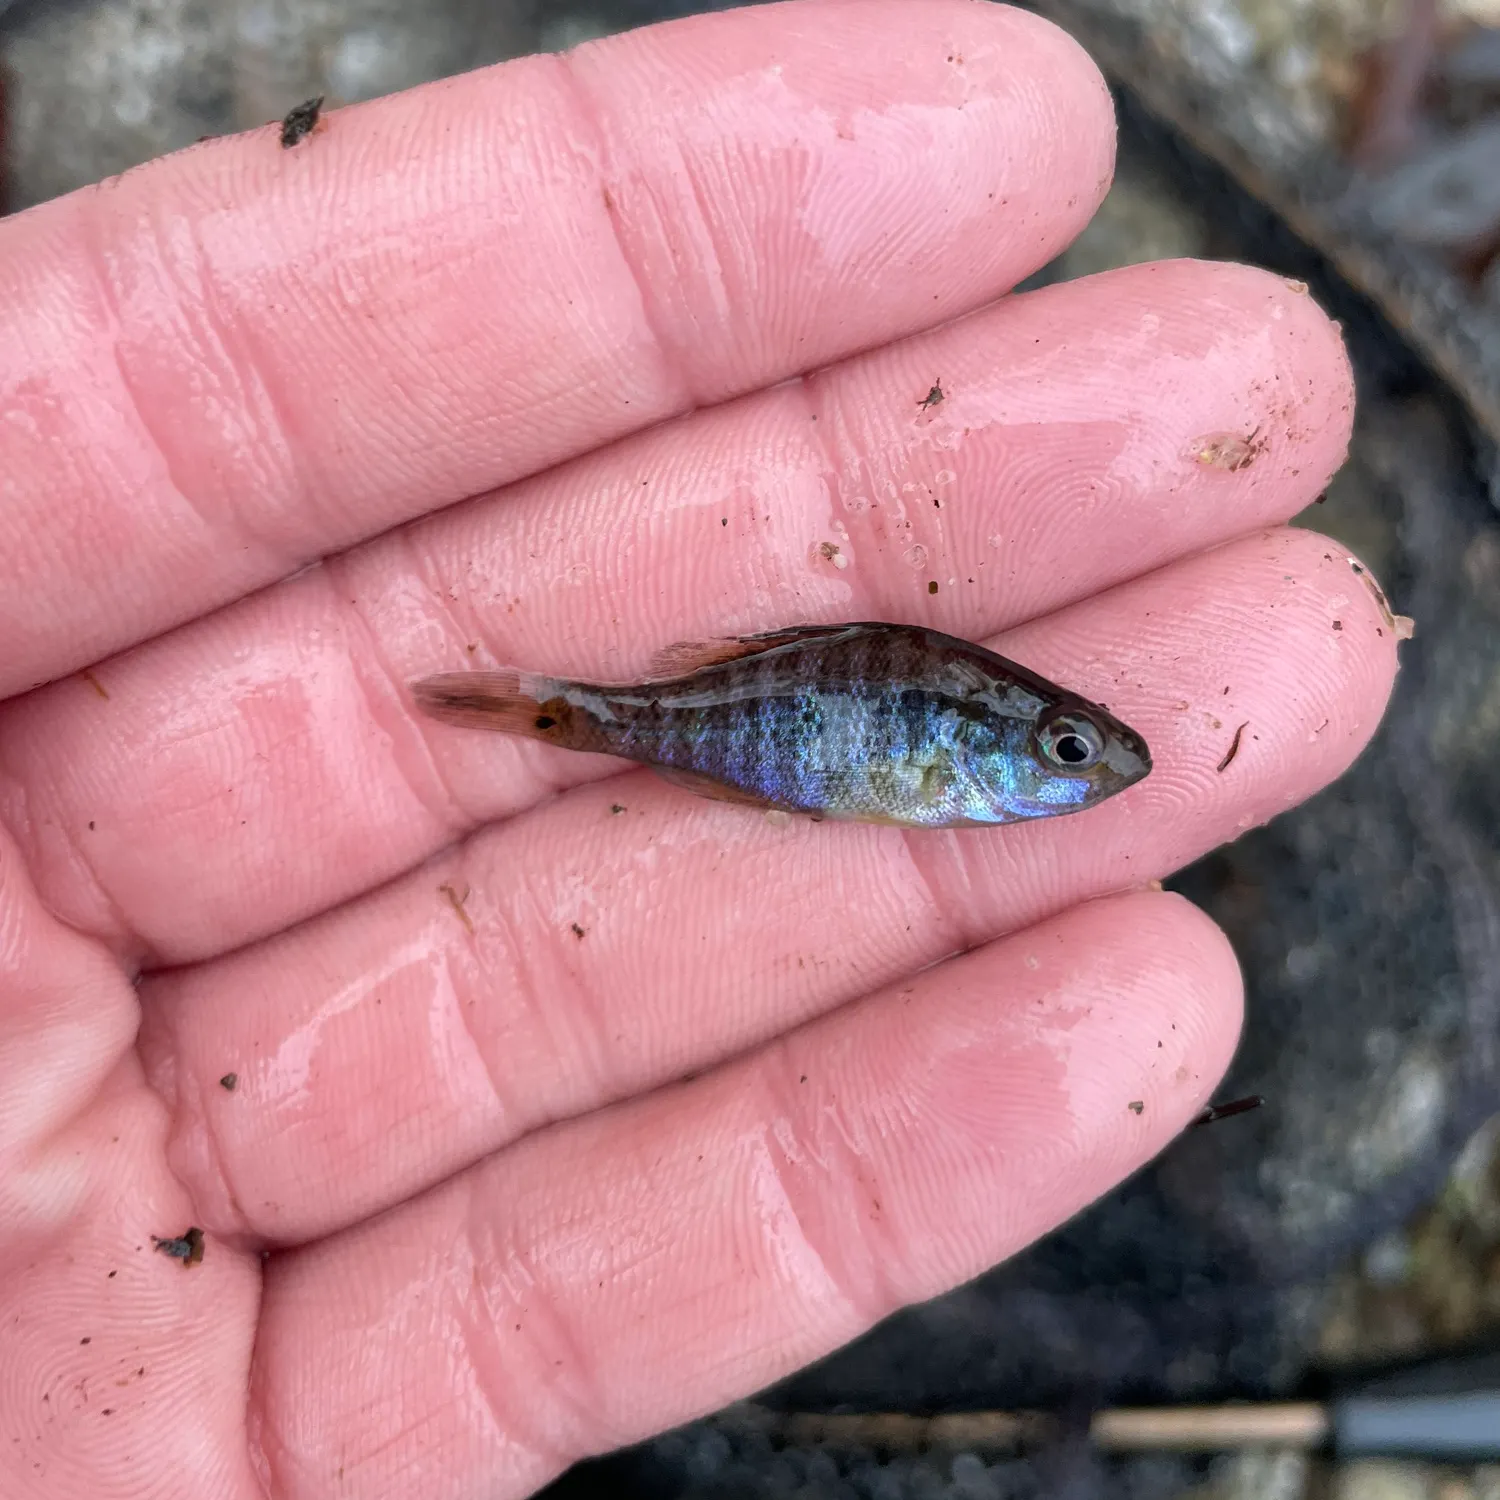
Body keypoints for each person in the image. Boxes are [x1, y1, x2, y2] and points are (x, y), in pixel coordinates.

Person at [0, 2, 1396, 1496]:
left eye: (1072, 752)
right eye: (1061, 746)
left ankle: (579, 708)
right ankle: (571, 706)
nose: (1082, 770)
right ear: (1004, 738)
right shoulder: (947, 743)